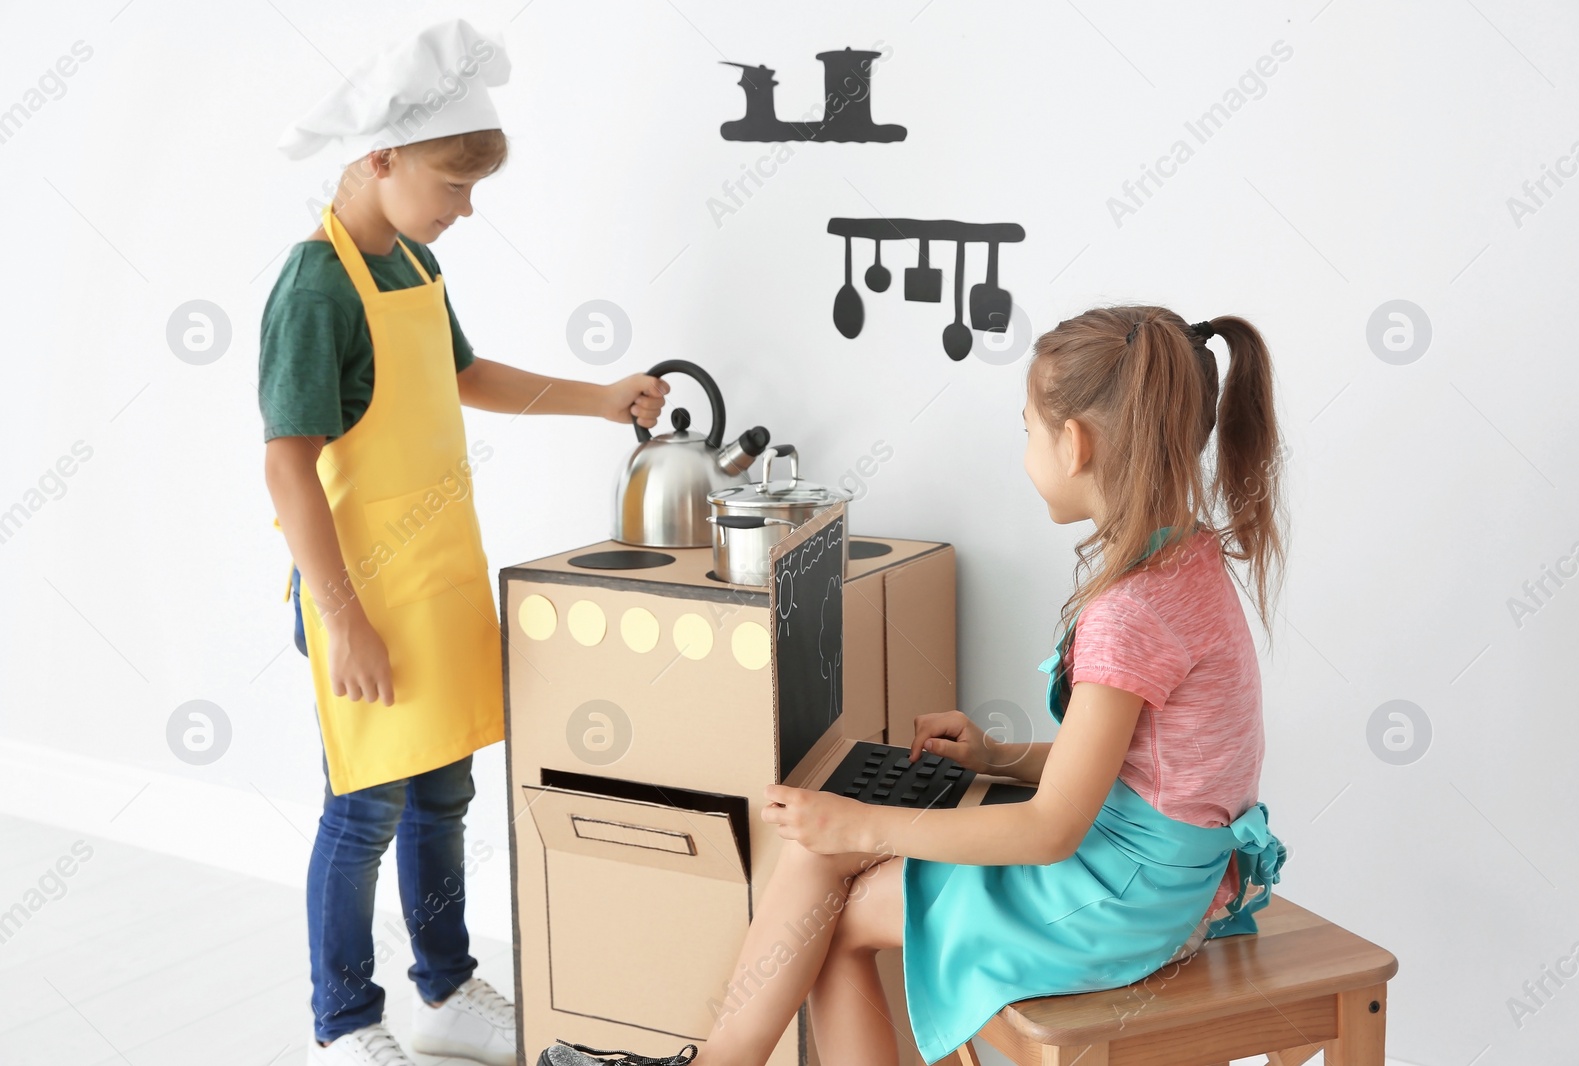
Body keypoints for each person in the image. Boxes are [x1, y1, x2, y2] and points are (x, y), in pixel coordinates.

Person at [536, 306, 1290, 1066]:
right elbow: (1141, 767)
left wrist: (861, 827)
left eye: (1027, 428)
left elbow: (1049, 830)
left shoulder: (1130, 612)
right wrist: (997, 754)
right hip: (1158, 877)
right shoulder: (1185, 562)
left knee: (825, 917)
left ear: (1075, 443)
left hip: (1123, 902)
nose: (1025, 447)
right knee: (821, 879)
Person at [260, 20, 668, 1066]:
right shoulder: (317, 287)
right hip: (360, 598)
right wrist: (341, 618)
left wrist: (599, 397)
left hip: (434, 581)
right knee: (363, 812)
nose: (466, 207)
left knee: (444, 795)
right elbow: (286, 466)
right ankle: (344, 1020)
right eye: (452, 183)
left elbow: (464, 376)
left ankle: (444, 990)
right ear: (381, 157)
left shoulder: (407, 265)